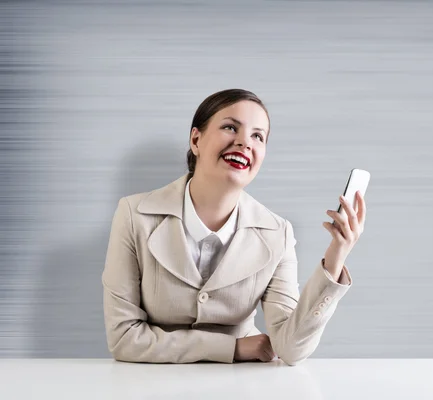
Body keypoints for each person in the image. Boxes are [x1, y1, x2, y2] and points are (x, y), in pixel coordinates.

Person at [102, 89, 367, 365]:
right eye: (230, 127)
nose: (244, 142)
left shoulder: (278, 233)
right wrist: (233, 348)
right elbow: (123, 338)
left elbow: (290, 348)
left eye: (258, 136)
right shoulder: (134, 215)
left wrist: (336, 256)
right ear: (196, 140)